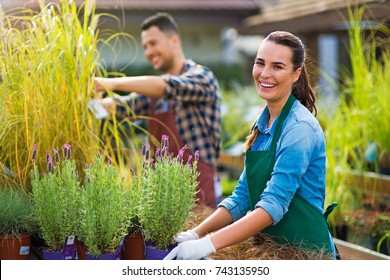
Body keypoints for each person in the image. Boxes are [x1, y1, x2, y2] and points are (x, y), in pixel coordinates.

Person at [164, 31, 338, 260]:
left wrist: (207, 244)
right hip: (271, 248)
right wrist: (195, 234)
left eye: (277, 66)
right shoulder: (262, 123)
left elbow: (272, 206)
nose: (265, 73)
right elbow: (242, 196)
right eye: (260, 63)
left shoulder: (299, 128)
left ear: (296, 74)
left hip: (305, 255)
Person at [93, 12, 221, 208]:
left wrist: (108, 83)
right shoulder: (151, 94)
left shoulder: (202, 77)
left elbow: (166, 86)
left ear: (174, 40)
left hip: (197, 190)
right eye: (145, 46)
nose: (148, 51)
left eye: (153, 43)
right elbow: (121, 106)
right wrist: (90, 102)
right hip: (160, 195)